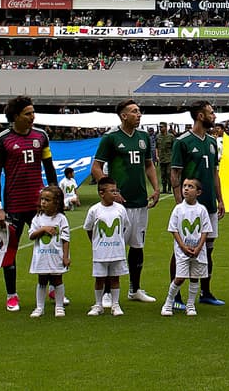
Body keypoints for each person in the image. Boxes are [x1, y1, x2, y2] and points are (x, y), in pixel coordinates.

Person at [0, 94, 57, 312]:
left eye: (32, 112)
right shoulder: (1, 140)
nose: (32, 116)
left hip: (40, 204)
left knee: (49, 246)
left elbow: (49, 167)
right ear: (16, 116)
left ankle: (52, 289)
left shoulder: (42, 136)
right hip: (14, 204)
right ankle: (12, 295)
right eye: (28, 113)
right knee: (10, 250)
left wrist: (56, 196)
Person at [90, 99, 160, 304]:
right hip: (118, 206)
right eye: (134, 111)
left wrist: (155, 189)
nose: (139, 114)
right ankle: (106, 293)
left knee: (137, 247)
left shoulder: (144, 137)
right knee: (112, 246)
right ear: (123, 116)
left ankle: (135, 289)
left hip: (139, 201)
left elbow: (149, 165)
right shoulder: (111, 138)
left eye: (139, 111)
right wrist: (110, 190)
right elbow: (96, 167)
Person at [169, 100, 225, 306]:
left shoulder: (211, 141)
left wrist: (220, 199)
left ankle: (206, 292)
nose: (214, 116)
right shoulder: (182, 141)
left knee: (208, 248)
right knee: (181, 249)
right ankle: (175, 296)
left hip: (208, 204)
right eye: (211, 113)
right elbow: (175, 173)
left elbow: (215, 173)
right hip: (189, 206)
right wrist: (179, 205)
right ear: (200, 116)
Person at [162, 177, 211, 317]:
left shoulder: (202, 210)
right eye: (184, 186)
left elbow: (205, 230)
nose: (186, 189)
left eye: (190, 186)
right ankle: (168, 302)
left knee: (195, 277)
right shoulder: (178, 209)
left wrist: (199, 248)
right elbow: (174, 229)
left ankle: (190, 304)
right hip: (182, 251)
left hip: (198, 251)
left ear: (198, 192)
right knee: (180, 277)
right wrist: (183, 247)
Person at [84, 176, 129, 317]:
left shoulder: (120, 209)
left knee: (115, 278)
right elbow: (89, 228)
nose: (115, 194)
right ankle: (98, 304)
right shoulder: (94, 210)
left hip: (117, 251)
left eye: (116, 190)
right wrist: (95, 243)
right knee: (99, 278)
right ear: (102, 193)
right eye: (112, 191)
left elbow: (124, 226)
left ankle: (115, 304)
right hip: (100, 252)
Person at [28, 185, 70, 318]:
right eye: (42, 199)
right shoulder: (37, 218)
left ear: (56, 203)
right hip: (41, 257)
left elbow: (65, 239)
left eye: (47, 200)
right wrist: (43, 229)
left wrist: (65, 257)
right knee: (42, 280)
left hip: (56, 256)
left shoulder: (61, 219)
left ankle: (59, 306)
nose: (43, 202)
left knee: (57, 280)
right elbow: (31, 235)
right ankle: (39, 307)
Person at [156, 123, 175, 194]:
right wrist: (157, 156)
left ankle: (169, 188)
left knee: (169, 174)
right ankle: (164, 189)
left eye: (162, 127)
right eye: (160, 127)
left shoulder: (171, 136)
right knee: (163, 174)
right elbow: (157, 147)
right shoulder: (158, 136)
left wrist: (173, 157)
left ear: (166, 127)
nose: (160, 129)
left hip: (169, 158)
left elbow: (174, 148)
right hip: (161, 158)